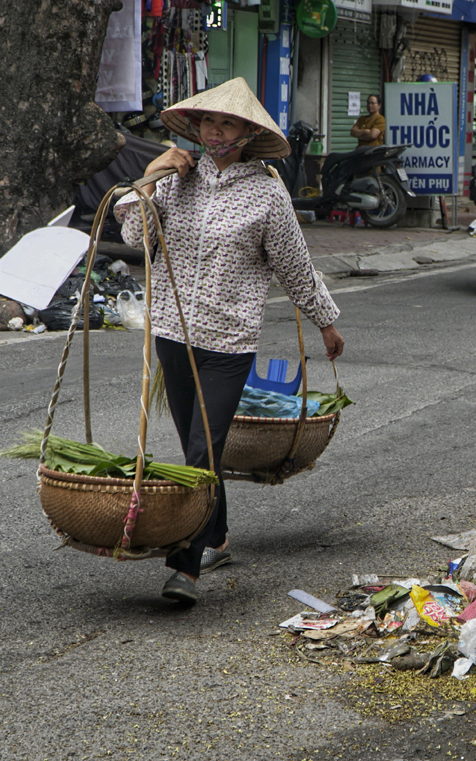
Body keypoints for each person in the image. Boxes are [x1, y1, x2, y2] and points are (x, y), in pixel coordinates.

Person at [115, 77, 345, 606]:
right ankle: (215, 535)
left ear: (245, 134)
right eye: (209, 122)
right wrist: (150, 176)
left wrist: (325, 321)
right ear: (197, 128)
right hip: (173, 334)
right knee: (198, 448)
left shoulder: (266, 194)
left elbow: (295, 267)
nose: (215, 131)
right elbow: (134, 239)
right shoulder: (177, 180)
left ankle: (186, 566)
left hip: (228, 342)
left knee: (202, 448)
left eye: (227, 123)